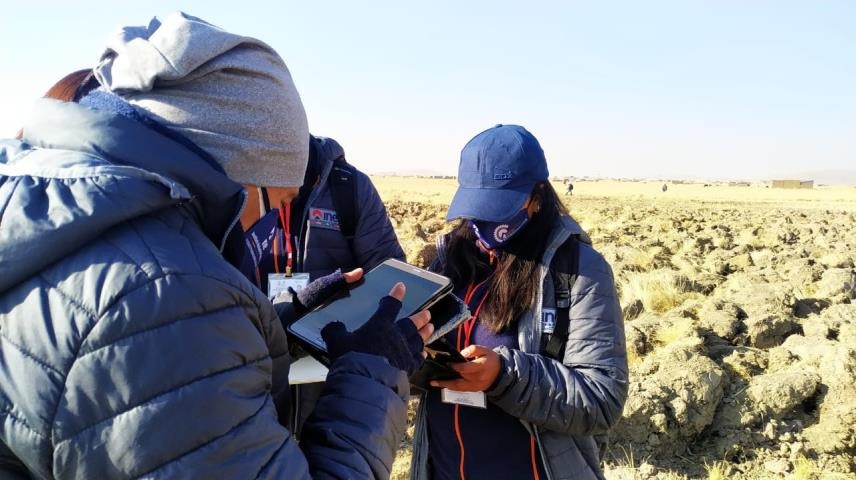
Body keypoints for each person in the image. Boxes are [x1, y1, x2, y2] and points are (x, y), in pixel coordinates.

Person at [0, 12, 430, 479]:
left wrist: (278, 323)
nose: (268, 222)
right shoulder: (168, 294)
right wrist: (373, 372)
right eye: (278, 201)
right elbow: (172, 341)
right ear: (236, 171)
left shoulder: (43, 213)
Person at [409, 125, 628, 480]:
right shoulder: (449, 260)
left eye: (499, 208)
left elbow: (601, 399)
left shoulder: (579, 270)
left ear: (537, 196)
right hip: (442, 468)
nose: (484, 223)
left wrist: (504, 375)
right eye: (478, 207)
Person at [238, 134, 407, 436]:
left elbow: (390, 278)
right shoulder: (239, 184)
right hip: (253, 379)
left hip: (331, 380)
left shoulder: (349, 188)